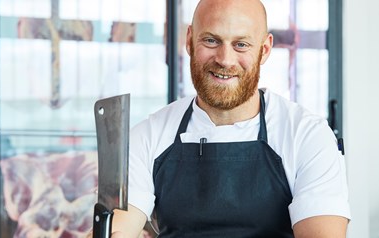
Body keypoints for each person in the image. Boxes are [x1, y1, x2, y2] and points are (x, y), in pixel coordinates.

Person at [90, 0, 351, 237]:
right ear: (190, 40)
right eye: (212, 41)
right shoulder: (148, 136)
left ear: (265, 49)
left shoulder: (307, 135)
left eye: (241, 44)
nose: (225, 60)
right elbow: (120, 226)